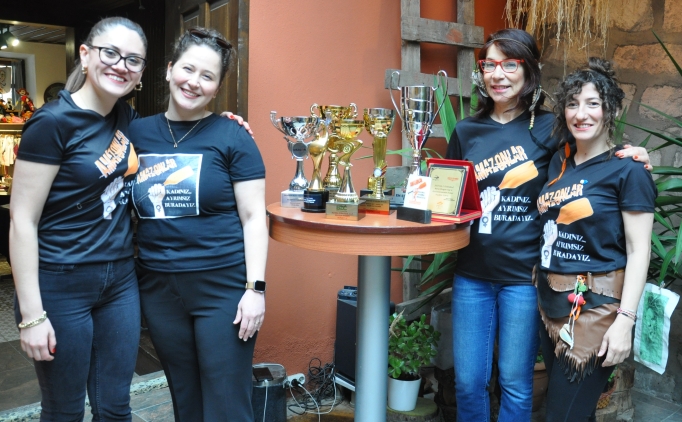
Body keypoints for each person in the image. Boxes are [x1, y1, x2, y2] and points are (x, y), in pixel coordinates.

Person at [445, 29, 648, 421]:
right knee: (468, 383)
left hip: (525, 279)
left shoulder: (551, 129)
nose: (497, 74)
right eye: (489, 65)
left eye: (510, 64)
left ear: (529, 70)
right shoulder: (466, 131)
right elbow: (450, 195)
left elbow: (594, 155)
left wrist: (634, 154)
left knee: (516, 383)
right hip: (472, 275)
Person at [10, 17, 146, 421]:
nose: (121, 65)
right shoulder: (51, 122)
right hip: (60, 282)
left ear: (141, 72)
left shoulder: (127, 118)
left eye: (133, 60)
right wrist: (32, 316)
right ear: (85, 55)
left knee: (115, 407)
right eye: (111, 53)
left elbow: (179, 134)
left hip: (120, 281)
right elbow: (21, 220)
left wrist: (224, 125)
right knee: (64, 410)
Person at [130, 27, 267, 422]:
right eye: (188, 69)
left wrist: (255, 290)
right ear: (169, 69)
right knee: (185, 398)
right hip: (158, 288)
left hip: (222, 288)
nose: (194, 82)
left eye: (207, 76)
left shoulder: (233, 136)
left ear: (217, 88)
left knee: (227, 402)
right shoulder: (136, 132)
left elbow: (254, 217)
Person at [536, 58, 655, 421]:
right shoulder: (559, 161)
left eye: (593, 103)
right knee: (577, 413)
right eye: (572, 104)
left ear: (612, 109)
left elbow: (639, 250)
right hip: (551, 304)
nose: (581, 114)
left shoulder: (629, 170)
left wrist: (625, 321)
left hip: (596, 309)